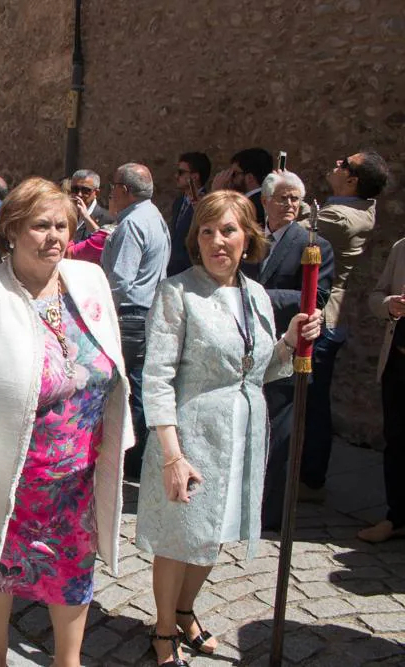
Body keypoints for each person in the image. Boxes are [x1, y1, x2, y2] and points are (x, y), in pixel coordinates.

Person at [0, 177, 131, 667]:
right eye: (40, 225)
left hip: (78, 479)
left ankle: (67, 662)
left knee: (73, 572)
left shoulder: (88, 280)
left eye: (61, 225)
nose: (53, 236)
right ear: (10, 230)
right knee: (0, 568)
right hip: (12, 477)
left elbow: (112, 362)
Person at [136, 191, 322, 666]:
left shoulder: (255, 295)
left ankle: (184, 610)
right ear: (195, 239)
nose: (218, 241)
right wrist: (173, 456)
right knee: (180, 538)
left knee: (215, 533)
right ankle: (162, 631)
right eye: (207, 231)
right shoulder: (177, 291)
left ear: (248, 237)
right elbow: (156, 379)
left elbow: (258, 371)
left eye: (228, 231)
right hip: (190, 437)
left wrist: (289, 341)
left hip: (241, 436)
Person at [245, 171, 334, 530]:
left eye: (296, 199)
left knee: (281, 432)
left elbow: (315, 297)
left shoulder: (313, 245)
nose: (290, 205)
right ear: (264, 201)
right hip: (250, 345)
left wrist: (260, 297)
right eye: (282, 198)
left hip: (287, 343)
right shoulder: (252, 238)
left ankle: (272, 513)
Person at [300, 151, 389, 500]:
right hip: (323, 319)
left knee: (311, 404)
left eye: (343, 164)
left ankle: (310, 480)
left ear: (352, 180)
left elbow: (294, 231)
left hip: (324, 321)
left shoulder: (345, 217)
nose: (335, 165)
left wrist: (282, 195)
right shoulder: (344, 208)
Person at [100, 163, 170, 478]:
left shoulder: (132, 224)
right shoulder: (154, 217)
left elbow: (120, 281)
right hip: (147, 313)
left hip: (129, 316)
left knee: (125, 390)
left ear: (125, 190)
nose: (110, 192)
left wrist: (98, 313)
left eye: (113, 185)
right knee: (139, 386)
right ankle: (140, 459)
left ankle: (131, 460)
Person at [358, 236, 405, 543]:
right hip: (398, 362)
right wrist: (389, 305)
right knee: (397, 441)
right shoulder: (401, 248)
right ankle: (397, 517)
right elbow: (376, 296)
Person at [166, 152, 211, 277]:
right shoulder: (178, 202)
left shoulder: (207, 204)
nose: (176, 176)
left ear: (194, 177)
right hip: (174, 271)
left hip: (192, 272)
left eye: (181, 172)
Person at [211, 148, 273, 226]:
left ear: (250, 178)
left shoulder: (249, 206)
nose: (230, 178)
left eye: (234, 174)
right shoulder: (265, 200)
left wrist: (216, 196)